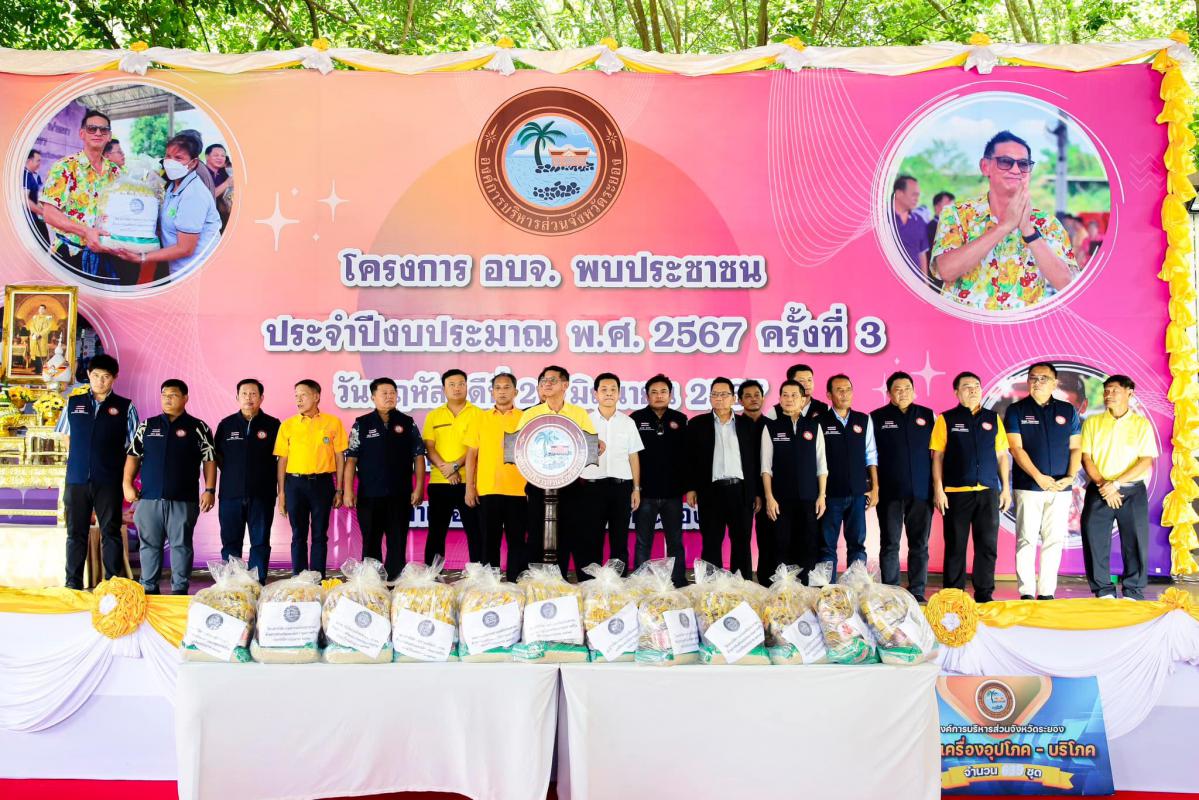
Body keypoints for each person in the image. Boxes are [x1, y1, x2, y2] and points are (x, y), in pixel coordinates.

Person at [931, 130, 1078, 311]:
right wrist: (1004, 226)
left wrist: (1029, 231)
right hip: (966, 325)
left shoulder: (1047, 223)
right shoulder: (956, 214)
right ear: (985, 167)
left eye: (1023, 164)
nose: (1016, 170)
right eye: (1005, 162)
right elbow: (946, 271)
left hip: (1022, 327)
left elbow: (1066, 284)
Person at [124, 379, 216, 595]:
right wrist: (127, 484)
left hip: (183, 499)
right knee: (149, 545)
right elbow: (133, 456)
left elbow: (209, 460)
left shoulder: (199, 427)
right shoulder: (147, 426)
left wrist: (210, 490)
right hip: (149, 499)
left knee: (181, 545)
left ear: (185, 398)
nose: (167, 399)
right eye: (164, 395)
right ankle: (148, 588)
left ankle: (179, 590)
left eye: (173, 395)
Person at [56, 354, 139, 589]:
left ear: (114, 378)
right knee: (75, 533)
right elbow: (66, 437)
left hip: (109, 480)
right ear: (88, 376)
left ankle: (112, 584)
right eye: (95, 376)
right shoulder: (74, 403)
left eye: (105, 377)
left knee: (110, 532)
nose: (100, 381)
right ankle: (73, 584)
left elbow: (133, 448)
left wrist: (126, 480)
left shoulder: (125, 407)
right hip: (77, 479)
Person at [930, 372, 1011, 603]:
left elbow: (1001, 456)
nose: (973, 389)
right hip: (956, 493)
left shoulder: (993, 419)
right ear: (956, 392)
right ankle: (953, 594)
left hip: (988, 492)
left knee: (987, 545)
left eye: (976, 385)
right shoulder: (946, 419)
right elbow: (937, 456)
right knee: (956, 545)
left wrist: (1005, 488)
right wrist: (938, 489)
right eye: (967, 386)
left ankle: (984, 594)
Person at [1004, 362, 1081, 600]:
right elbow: (1016, 448)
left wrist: (1070, 477)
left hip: (1061, 487)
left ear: (1054, 383)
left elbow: (1076, 448)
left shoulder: (1067, 410)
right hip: (1029, 487)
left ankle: (1047, 593)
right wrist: (1038, 477)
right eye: (1033, 378)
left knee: (1054, 540)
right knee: (1026, 539)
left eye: (1043, 378)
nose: (1037, 382)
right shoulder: (1016, 410)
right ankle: (1026, 592)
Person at [1079, 375, 1158, 600]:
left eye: (1114, 390)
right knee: (1094, 540)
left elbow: (1145, 460)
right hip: (1099, 489)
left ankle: (1133, 590)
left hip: (1131, 491)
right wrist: (1104, 484)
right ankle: (1103, 590)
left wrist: (1116, 484)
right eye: (1106, 390)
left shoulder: (1141, 424)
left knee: (1135, 540)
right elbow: (1086, 458)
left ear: (1129, 393)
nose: (1109, 395)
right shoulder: (1093, 422)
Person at [344, 377, 426, 581]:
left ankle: (394, 581)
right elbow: (351, 459)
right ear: (373, 397)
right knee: (371, 540)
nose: (389, 396)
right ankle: (373, 583)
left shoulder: (407, 423)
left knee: (397, 541)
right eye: (384, 393)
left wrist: (418, 488)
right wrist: (348, 490)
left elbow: (418, 456)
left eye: (393, 393)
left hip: (400, 494)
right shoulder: (361, 424)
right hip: (370, 494)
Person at [518, 365, 597, 574]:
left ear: (565, 385)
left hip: (570, 483)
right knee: (536, 532)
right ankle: (536, 580)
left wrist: (599, 445)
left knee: (568, 532)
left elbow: (590, 444)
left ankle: (559, 580)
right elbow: (517, 446)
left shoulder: (578, 413)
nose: (547, 383)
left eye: (552, 380)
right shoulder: (530, 414)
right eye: (544, 380)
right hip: (538, 482)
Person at [111, 133, 222, 278]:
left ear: (193, 163)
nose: (170, 162)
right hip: (180, 270)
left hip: (197, 272)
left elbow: (185, 249)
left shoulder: (193, 194)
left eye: (178, 158)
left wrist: (142, 257)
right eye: (168, 156)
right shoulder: (173, 186)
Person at [685, 377, 761, 579]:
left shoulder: (747, 425)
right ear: (710, 398)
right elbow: (689, 459)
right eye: (715, 394)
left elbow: (754, 462)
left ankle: (741, 584)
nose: (719, 398)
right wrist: (691, 488)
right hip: (710, 491)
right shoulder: (697, 424)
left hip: (740, 490)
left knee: (742, 541)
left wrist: (756, 493)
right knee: (711, 541)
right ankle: (711, 586)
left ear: (734, 398)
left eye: (724, 394)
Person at [870, 371, 935, 602]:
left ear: (914, 391)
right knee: (890, 543)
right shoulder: (876, 418)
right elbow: (870, 455)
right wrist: (874, 487)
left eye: (907, 388)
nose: (903, 392)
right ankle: (891, 591)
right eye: (897, 389)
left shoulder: (928, 415)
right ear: (889, 393)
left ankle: (917, 590)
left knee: (920, 544)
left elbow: (937, 455)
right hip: (889, 492)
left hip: (922, 492)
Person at [274, 379, 347, 577]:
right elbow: (282, 460)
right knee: (298, 534)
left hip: (322, 484)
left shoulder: (333, 422)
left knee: (319, 534)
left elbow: (340, 457)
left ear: (316, 396)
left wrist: (339, 489)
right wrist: (281, 493)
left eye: (303, 395)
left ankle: (317, 578)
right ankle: (299, 577)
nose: (298, 400)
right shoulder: (288, 425)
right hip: (294, 484)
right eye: (296, 396)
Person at [39, 109, 121, 278]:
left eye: (103, 129)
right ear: (82, 134)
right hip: (70, 254)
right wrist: (85, 232)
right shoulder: (65, 167)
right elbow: (49, 213)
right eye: (92, 128)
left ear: (109, 136)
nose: (98, 133)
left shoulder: (116, 171)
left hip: (106, 255)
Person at [214, 378, 281, 583]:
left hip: (262, 494)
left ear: (261, 398)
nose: (248, 398)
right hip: (230, 494)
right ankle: (232, 584)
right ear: (237, 397)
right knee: (230, 542)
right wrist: (235, 474)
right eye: (244, 393)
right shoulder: (226, 425)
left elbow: (281, 458)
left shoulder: (273, 425)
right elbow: (217, 457)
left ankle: (256, 584)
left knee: (260, 542)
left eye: (253, 394)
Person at [761, 380, 826, 583]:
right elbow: (766, 468)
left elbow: (822, 465)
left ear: (803, 400)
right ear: (780, 399)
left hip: (809, 499)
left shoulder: (814, 427)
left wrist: (821, 496)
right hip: (780, 500)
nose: (789, 399)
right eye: (785, 395)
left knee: (808, 546)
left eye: (794, 395)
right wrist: (769, 497)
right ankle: (783, 592)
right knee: (781, 546)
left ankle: (806, 591)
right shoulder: (771, 427)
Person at [464, 372, 527, 581]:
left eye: (507, 387)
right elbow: (471, 455)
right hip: (488, 489)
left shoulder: (525, 418)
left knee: (517, 541)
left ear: (516, 391)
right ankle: (490, 586)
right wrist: (470, 487)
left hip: (519, 490)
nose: (502, 392)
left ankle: (515, 584)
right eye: (498, 388)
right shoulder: (480, 418)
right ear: (492, 392)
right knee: (489, 541)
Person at [816, 375, 877, 579]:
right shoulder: (820, 422)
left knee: (857, 544)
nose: (844, 394)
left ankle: (856, 586)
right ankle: (827, 589)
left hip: (858, 493)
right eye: (839, 390)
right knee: (826, 545)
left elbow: (871, 455)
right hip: (830, 494)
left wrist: (875, 487)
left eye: (848, 389)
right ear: (829, 395)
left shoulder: (863, 420)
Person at [580, 373, 643, 572]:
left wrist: (636, 489)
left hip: (621, 488)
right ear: (595, 394)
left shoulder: (628, 422)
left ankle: (618, 581)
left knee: (619, 538)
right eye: (604, 390)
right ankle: (591, 582)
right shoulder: (585, 421)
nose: (609, 394)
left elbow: (633, 456)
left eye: (613, 390)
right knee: (591, 537)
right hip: (591, 488)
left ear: (619, 393)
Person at [631, 374, 688, 587]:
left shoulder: (680, 419)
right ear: (647, 396)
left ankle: (678, 581)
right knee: (643, 542)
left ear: (670, 395)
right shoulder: (636, 419)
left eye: (663, 391)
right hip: (645, 493)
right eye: (654, 392)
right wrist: (635, 488)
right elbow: (631, 456)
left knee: (675, 541)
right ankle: (641, 584)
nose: (659, 395)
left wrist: (688, 487)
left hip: (673, 493)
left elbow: (687, 456)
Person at [423, 369, 483, 564]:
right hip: (440, 482)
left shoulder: (479, 414)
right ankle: (432, 574)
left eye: (461, 384)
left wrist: (455, 466)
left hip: (470, 483)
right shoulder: (434, 415)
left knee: (475, 531)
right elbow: (429, 447)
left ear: (466, 386)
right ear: (444, 389)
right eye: (452, 384)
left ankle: (478, 574)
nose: (457, 388)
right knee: (436, 532)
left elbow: (477, 448)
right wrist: (447, 470)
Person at [738, 379, 773, 583]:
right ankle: (743, 583)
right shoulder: (734, 425)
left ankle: (766, 582)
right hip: (742, 491)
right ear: (740, 400)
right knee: (741, 539)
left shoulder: (772, 425)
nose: (753, 399)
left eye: (757, 395)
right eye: (748, 396)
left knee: (768, 538)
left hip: (768, 491)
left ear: (763, 398)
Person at [892, 175, 929, 277]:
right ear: (899, 194)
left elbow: (922, 253)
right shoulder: (881, 219)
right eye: (914, 194)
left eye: (918, 195)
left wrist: (925, 282)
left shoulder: (919, 221)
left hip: (913, 282)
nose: (917, 199)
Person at [204, 143, 233, 231]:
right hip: (206, 221)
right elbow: (207, 197)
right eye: (216, 155)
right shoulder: (201, 174)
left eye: (223, 156)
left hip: (223, 218)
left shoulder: (224, 173)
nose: (220, 158)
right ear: (207, 157)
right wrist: (227, 183)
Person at [23, 148, 49, 248]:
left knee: (45, 245)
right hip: (30, 220)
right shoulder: (24, 176)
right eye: (38, 161)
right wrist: (42, 212)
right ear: (29, 161)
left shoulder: (36, 176)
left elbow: (41, 194)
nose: (39, 164)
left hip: (38, 218)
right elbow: (25, 200)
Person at [27, 304, 56, 373]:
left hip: (42, 338)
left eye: (43, 309)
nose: (41, 310)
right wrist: (35, 333)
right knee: (35, 353)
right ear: (38, 309)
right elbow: (31, 326)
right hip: (35, 337)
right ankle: (37, 368)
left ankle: (40, 369)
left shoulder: (48, 318)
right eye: (40, 308)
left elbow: (48, 328)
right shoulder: (35, 317)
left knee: (41, 353)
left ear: (45, 310)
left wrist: (40, 334)